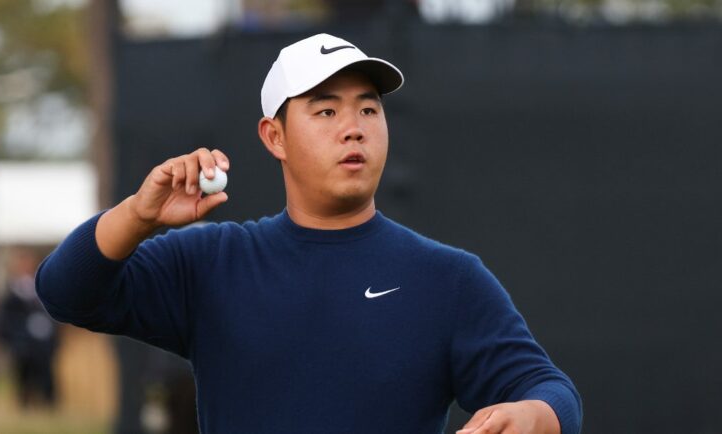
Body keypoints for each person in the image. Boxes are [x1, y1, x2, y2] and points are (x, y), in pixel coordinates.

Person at [36, 33, 582, 434]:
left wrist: (534, 416)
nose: (354, 126)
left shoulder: (446, 277)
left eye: (369, 108)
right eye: (325, 110)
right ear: (274, 136)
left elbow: (553, 391)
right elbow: (64, 291)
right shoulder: (213, 261)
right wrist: (138, 215)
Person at [0, 248, 59, 410]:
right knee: (23, 376)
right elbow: (5, 320)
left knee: (46, 375)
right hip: (22, 343)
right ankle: (24, 404)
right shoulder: (11, 293)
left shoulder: (42, 287)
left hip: (43, 343)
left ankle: (48, 404)